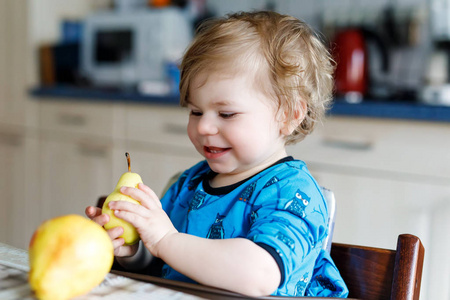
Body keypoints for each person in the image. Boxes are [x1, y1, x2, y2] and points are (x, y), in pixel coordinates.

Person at [85, 10, 348, 297]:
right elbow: (162, 263)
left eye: (226, 113)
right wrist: (133, 250)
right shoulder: (188, 183)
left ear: (288, 115)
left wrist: (165, 238)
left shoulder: (294, 193)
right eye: (196, 111)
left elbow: (259, 274)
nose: (205, 126)